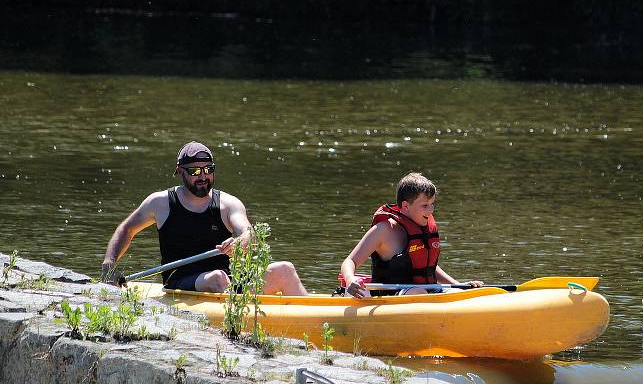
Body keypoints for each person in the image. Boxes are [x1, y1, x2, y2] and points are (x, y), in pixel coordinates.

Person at [101, 141, 307, 295]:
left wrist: (242, 241)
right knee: (217, 278)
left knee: (285, 269)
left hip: (228, 280)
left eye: (208, 170)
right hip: (180, 280)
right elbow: (126, 230)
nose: (202, 176)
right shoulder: (160, 202)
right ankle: (240, 323)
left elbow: (248, 232)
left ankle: (316, 322)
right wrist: (109, 266)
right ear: (180, 171)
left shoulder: (228, 203)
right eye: (195, 171)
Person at [340, 172, 483, 298]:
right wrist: (350, 279)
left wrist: (460, 286)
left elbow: (426, 266)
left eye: (432, 204)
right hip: (391, 297)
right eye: (425, 205)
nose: (431, 210)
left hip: (426, 293)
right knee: (418, 292)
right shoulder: (383, 230)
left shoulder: (424, 227)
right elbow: (350, 262)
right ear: (405, 206)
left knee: (462, 294)